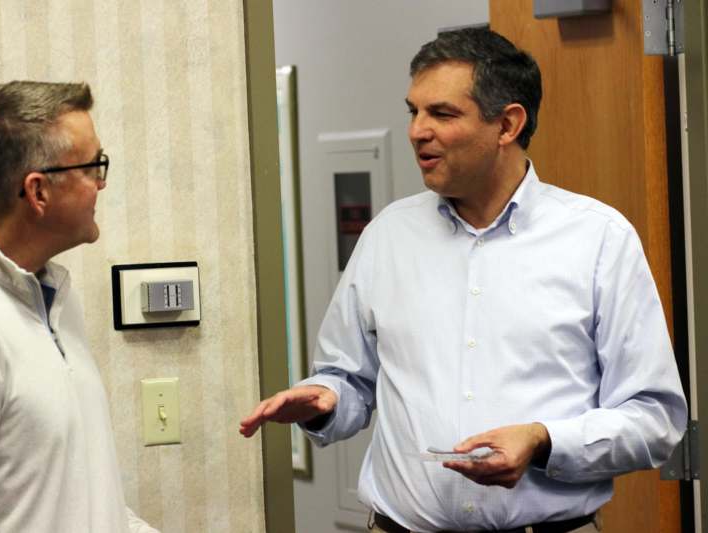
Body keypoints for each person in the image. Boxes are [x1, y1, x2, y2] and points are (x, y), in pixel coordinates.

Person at [240, 28, 687, 533]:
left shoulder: (599, 239)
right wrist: (325, 399)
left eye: (442, 114)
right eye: (413, 111)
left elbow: (654, 419)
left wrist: (543, 440)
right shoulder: (387, 236)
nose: (417, 131)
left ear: (507, 124)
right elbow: (349, 381)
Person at [0, 81, 158, 533]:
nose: (102, 182)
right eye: (93, 166)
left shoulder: (52, 298)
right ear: (38, 191)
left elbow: (86, 502)